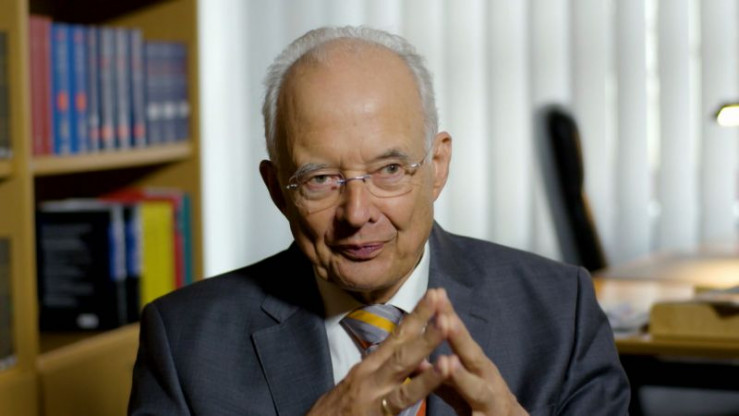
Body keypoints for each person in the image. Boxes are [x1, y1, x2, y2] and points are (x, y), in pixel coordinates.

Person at [128, 26, 630, 416]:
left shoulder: (561, 312)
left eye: (390, 170)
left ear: (437, 166)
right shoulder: (184, 342)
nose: (357, 213)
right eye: (321, 179)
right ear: (277, 189)